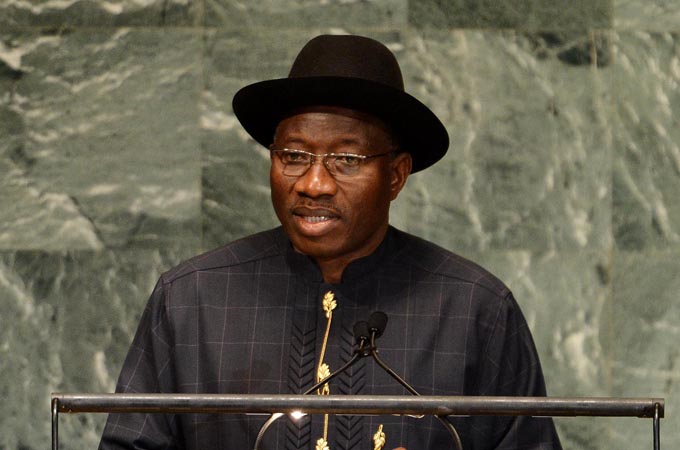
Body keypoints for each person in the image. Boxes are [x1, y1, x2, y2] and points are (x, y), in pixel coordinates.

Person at [99, 34, 563, 450]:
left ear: (396, 174)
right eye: (294, 155)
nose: (313, 183)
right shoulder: (191, 298)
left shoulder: (475, 310)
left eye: (346, 159)